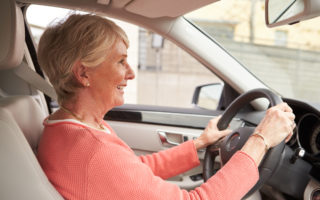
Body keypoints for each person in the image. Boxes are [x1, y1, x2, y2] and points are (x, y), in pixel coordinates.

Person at [37, 14, 295, 200]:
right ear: (83, 74)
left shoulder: (70, 126)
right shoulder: (92, 149)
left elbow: (136, 170)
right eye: (120, 62)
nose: (130, 74)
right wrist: (260, 140)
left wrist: (199, 143)